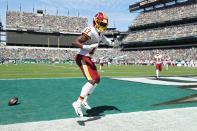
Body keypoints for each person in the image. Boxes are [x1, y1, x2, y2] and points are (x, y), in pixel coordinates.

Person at [71, 12, 113, 117]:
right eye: (101, 24)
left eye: (104, 25)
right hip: (82, 57)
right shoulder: (90, 31)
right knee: (92, 80)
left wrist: (114, 43)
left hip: (88, 58)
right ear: (96, 22)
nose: (103, 27)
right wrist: (85, 47)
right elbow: (75, 42)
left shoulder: (100, 34)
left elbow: (107, 41)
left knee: (97, 79)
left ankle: (85, 99)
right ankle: (77, 103)